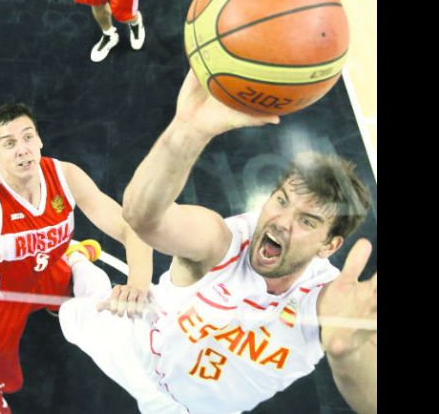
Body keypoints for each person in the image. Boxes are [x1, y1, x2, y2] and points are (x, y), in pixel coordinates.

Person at [57, 69, 377, 414]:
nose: (282, 222)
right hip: (135, 350)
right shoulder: (224, 242)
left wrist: (347, 358)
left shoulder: (324, 299)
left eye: (307, 221)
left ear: (328, 247)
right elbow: (142, 218)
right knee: (70, 316)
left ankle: (78, 265)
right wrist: (186, 132)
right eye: (282, 200)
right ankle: (77, 260)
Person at [0, 103, 153, 413]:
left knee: (66, 292)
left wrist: (138, 283)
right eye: (9, 144)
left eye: (27, 137)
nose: (22, 149)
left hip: (48, 269)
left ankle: (71, 262)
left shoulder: (65, 175)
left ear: (39, 140)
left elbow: (128, 226)